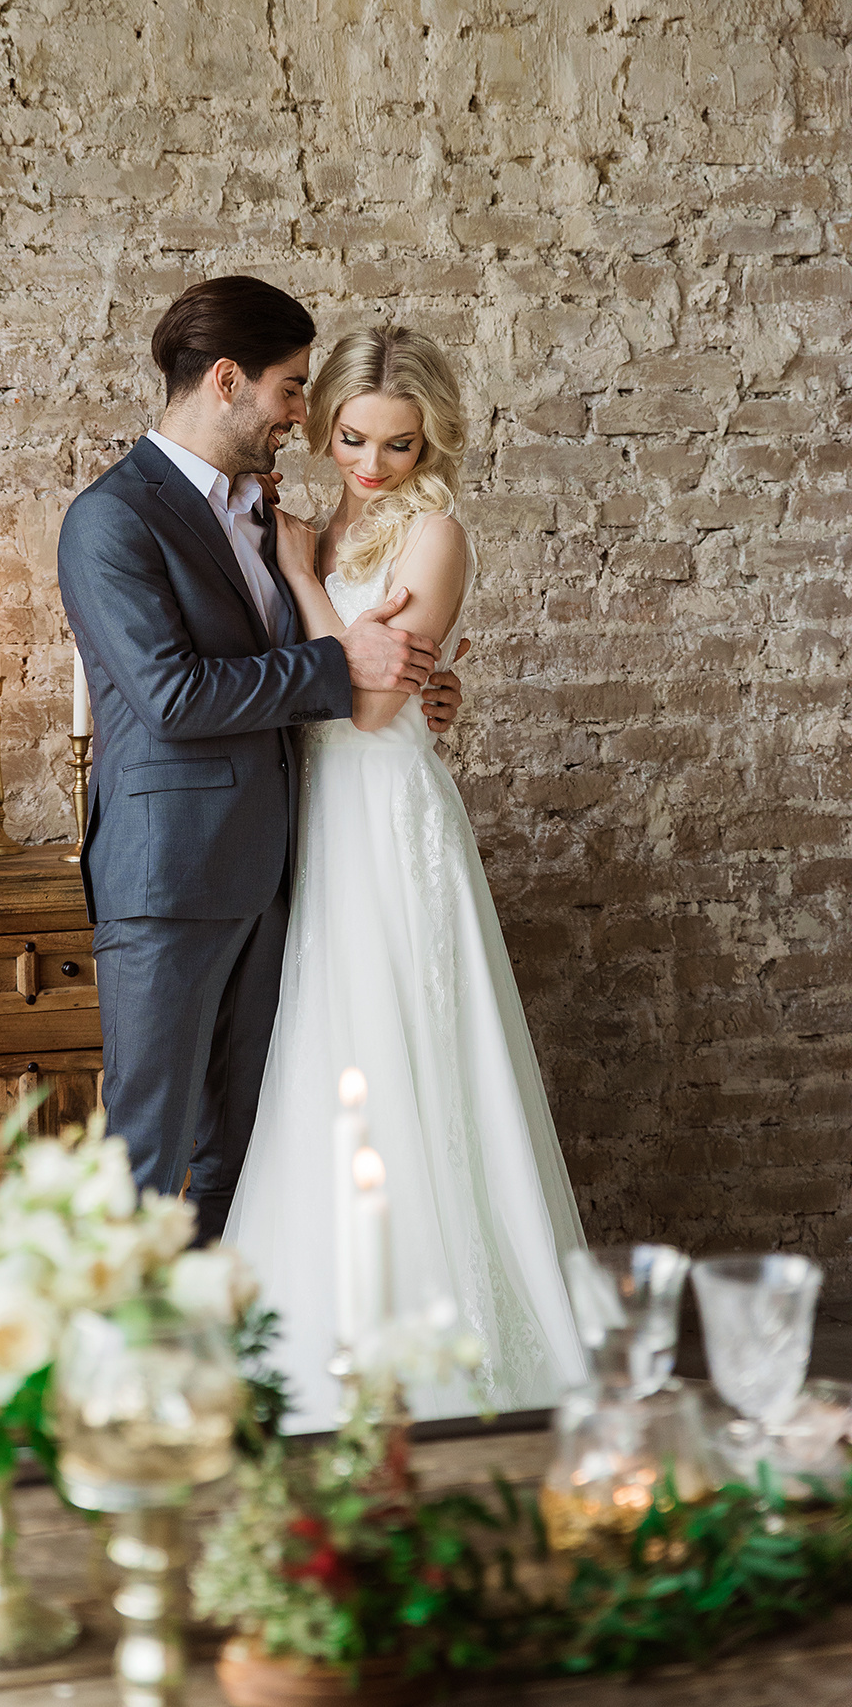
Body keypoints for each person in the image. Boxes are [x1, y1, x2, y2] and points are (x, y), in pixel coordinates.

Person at [224, 323, 585, 1428]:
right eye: (350, 438)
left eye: (395, 445)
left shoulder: (434, 534)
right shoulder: (323, 516)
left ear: (430, 440)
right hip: (312, 809)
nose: (370, 466)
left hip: (385, 812)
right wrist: (316, 585)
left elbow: (374, 703)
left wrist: (300, 579)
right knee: (324, 1047)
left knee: (403, 1047)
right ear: (323, 420)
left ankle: (446, 1346)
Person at [57, 279, 465, 1244]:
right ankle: (122, 1385)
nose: (299, 415)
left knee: (242, 1150)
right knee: (146, 1153)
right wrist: (342, 667)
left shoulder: (262, 511)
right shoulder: (112, 519)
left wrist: (418, 693)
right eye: (290, 391)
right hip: (170, 881)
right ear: (230, 381)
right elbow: (172, 697)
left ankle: (212, 1372)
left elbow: (321, 667)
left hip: (287, 868)